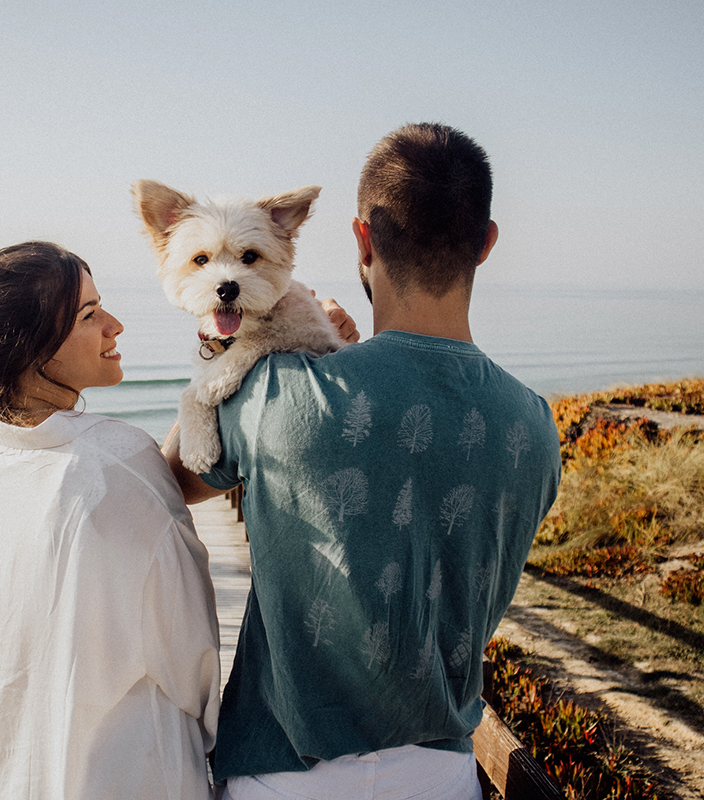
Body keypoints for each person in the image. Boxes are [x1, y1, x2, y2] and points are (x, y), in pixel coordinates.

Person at [165, 123, 562, 799]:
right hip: (443, 775)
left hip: (283, 773)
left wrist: (229, 343)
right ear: (487, 243)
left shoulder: (277, 390)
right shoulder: (537, 424)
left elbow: (171, 480)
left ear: (362, 240)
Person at [0, 241, 221, 800]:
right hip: (127, 779)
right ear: (34, 348)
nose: (115, 325)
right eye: (89, 315)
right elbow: (194, 659)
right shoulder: (119, 462)